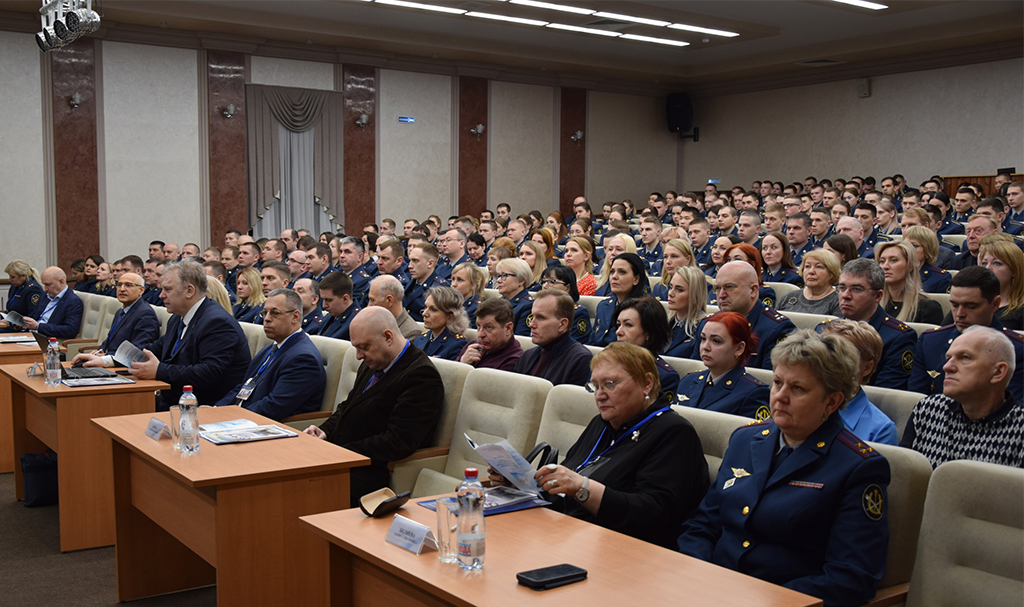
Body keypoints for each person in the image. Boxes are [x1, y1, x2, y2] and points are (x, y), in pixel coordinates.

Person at [677, 329, 891, 607]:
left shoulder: (857, 467)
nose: (780, 396)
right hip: (708, 589)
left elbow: (850, 578)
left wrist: (762, 600)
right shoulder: (745, 439)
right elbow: (702, 526)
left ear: (832, 401)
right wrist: (698, 575)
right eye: (777, 383)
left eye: (798, 388)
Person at [493, 342, 708, 547]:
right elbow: (568, 484)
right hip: (565, 532)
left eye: (610, 384)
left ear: (647, 383)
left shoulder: (674, 432)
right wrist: (522, 483)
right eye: (595, 386)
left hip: (620, 549)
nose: (599, 395)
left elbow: (653, 516)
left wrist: (584, 488)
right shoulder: (603, 423)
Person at [305, 307, 444, 506]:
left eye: (364, 347)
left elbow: (397, 442)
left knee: (297, 492)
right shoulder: (375, 362)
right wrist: (325, 431)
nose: (358, 356)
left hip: (367, 474)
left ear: (388, 337)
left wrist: (340, 452)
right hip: (342, 460)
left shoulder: (421, 376)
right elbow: (348, 406)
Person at [79, 260, 251, 409]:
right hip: (175, 398)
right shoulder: (177, 317)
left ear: (189, 291)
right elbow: (155, 349)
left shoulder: (216, 322)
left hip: (205, 406)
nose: (161, 295)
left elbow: (209, 373)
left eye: (167, 289)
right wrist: (106, 360)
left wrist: (159, 371)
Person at [902, 326, 1024, 469]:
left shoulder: (1020, 427)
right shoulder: (928, 409)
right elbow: (905, 475)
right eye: (948, 358)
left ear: (998, 372)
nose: (947, 367)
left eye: (965, 357)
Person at [908, 267, 1024, 400]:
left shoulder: (1017, 350)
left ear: (995, 304)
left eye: (971, 306)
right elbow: (917, 399)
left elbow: (1013, 406)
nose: (960, 314)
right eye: (954, 305)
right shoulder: (930, 342)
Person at [214, 289, 325, 420]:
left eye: (275, 313)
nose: (266, 319)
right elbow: (243, 386)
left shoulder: (304, 359)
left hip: (262, 424)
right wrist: (216, 409)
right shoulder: (272, 347)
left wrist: (228, 416)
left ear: (295, 317)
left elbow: (273, 406)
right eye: (265, 312)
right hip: (241, 417)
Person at [692, 261, 795, 370]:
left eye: (729, 287)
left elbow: (771, 378)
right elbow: (697, 371)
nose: (721, 295)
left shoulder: (776, 329)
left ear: (753, 290)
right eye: (717, 288)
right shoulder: (707, 324)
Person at [676, 311, 770, 419]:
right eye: (703, 339)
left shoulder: (753, 393)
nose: (705, 347)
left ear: (739, 349)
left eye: (716, 341)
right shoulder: (688, 381)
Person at [819, 320, 898, 445]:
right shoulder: (800, 406)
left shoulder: (881, 430)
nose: (829, 363)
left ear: (866, 368)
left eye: (843, 356)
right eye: (824, 353)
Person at [71, 272, 159, 363]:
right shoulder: (120, 311)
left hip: (123, 367)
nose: (122, 289)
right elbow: (109, 340)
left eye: (128, 285)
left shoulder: (145, 314)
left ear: (141, 290)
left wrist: (105, 359)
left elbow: (137, 352)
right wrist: (99, 352)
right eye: (119, 285)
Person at [515, 289, 592, 386]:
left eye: (541, 317)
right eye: (532, 316)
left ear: (562, 324)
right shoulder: (527, 356)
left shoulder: (580, 360)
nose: (531, 324)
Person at [612, 297, 680, 404]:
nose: (618, 332)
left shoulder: (664, 376)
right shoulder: (607, 363)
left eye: (628, 325)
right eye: (618, 325)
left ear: (649, 333)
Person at [876, 240, 943, 325]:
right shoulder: (873, 304)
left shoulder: (927, 308)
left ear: (910, 266)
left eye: (893, 260)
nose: (885, 266)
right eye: (882, 261)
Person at [590, 253, 649, 347]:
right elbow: (592, 342)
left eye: (622, 272)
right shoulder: (603, 305)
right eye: (612, 271)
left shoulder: (645, 309)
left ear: (636, 279)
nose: (614, 276)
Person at [22, 266, 84, 339]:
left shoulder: (73, 301)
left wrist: (38, 326)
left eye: (48, 285)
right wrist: (24, 324)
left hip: (48, 339)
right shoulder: (45, 295)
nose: (45, 289)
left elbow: (70, 330)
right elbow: (35, 316)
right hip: (31, 335)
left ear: (61, 282)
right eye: (44, 285)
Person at [777, 249, 842, 316]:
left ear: (831, 273)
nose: (811, 271)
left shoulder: (839, 302)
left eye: (819, 267)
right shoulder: (789, 297)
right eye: (807, 266)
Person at [411, 286, 469, 361]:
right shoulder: (420, 338)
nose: (424, 313)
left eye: (433, 310)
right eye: (425, 307)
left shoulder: (457, 344)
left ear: (450, 316)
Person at [979, 238, 1024, 330]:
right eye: (984, 263)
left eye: (997, 263)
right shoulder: (970, 302)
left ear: (1014, 270)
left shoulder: (1021, 310)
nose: (987, 268)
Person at [665, 266, 709, 359]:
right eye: (671, 287)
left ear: (695, 294)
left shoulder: (703, 328)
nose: (670, 293)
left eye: (679, 290)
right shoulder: (664, 323)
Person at [539, 265, 591, 343]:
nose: (545, 286)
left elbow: (575, 344)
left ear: (568, 287)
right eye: (543, 281)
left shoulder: (577, 312)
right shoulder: (538, 308)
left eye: (552, 282)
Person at [403, 242, 447, 322]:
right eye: (410, 261)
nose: (410, 266)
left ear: (430, 263)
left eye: (415, 261)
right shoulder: (411, 282)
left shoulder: (440, 288)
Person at [367, 274, 422, 339]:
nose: (368, 306)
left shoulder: (410, 333)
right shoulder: (376, 323)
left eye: (372, 300)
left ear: (389, 300)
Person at [901, 226, 951, 294]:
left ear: (928, 250)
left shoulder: (940, 278)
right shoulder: (894, 272)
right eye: (905, 245)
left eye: (914, 246)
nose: (908, 249)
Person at [311, 271, 360, 341]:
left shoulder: (357, 322)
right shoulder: (329, 317)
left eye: (329, 300)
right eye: (323, 300)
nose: (324, 305)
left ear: (345, 299)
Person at [494, 257, 534, 336]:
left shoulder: (528, 306)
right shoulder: (498, 302)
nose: (498, 280)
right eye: (498, 275)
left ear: (521, 280)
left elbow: (521, 339)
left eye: (504, 275)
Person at [448, 262, 485, 329]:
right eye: (453, 279)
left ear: (473, 284)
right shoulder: (448, 303)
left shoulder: (476, 309)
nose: (454, 284)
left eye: (460, 280)